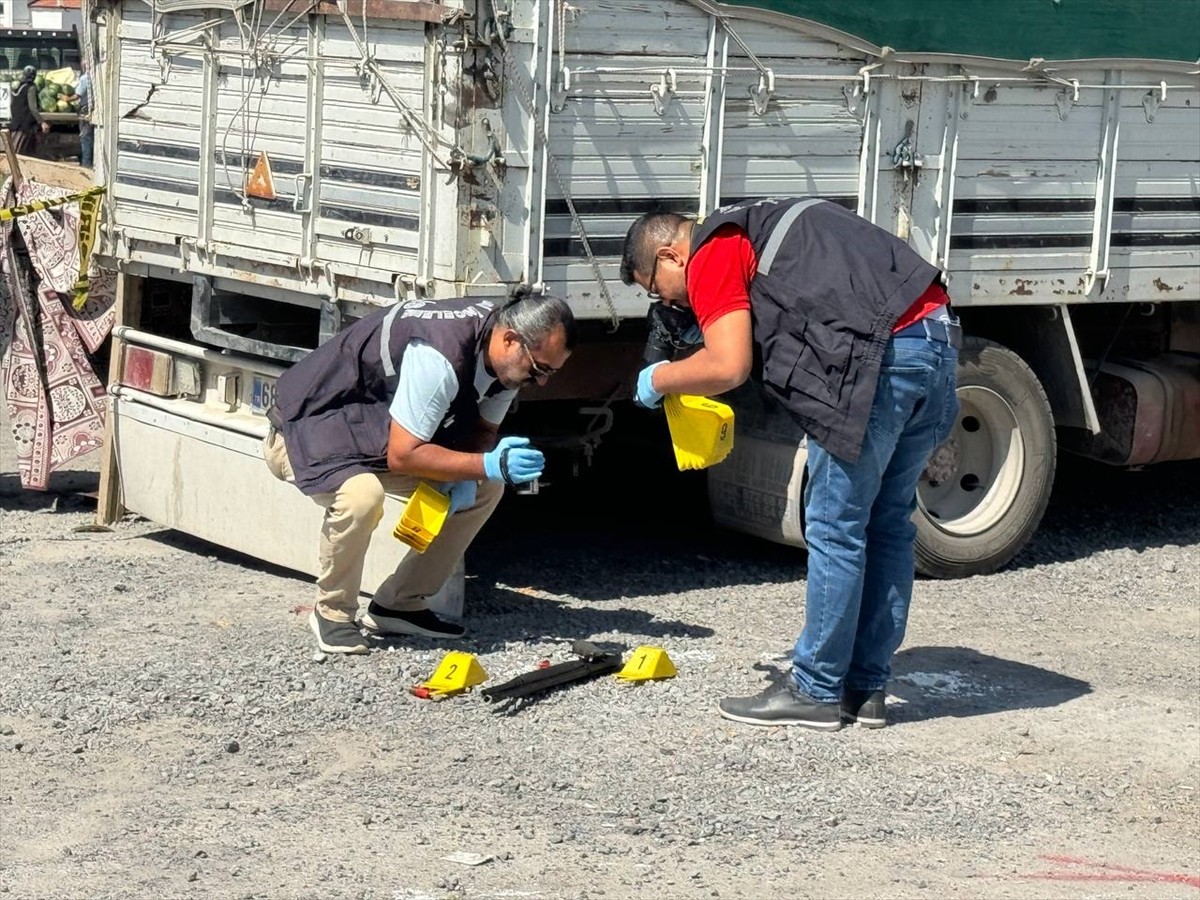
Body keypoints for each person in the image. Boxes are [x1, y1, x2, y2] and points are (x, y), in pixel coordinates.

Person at [621, 198, 960, 731]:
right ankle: (865, 688)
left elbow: (729, 364)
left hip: (881, 364)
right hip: (936, 346)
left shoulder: (714, 247)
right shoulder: (760, 221)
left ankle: (815, 688)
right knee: (888, 524)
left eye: (655, 287)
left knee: (834, 525)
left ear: (670, 255)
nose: (665, 301)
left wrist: (659, 378)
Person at [264, 294, 576, 655]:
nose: (541, 383)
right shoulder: (438, 355)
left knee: (485, 487)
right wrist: (487, 463)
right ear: (510, 340)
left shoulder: (501, 358)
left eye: (550, 372)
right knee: (362, 495)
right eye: (539, 370)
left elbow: (481, 434)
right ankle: (332, 614)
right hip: (308, 432)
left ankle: (400, 604)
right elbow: (403, 455)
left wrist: (474, 470)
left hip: (373, 436)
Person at [9, 66, 49, 157]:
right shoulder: (31, 87)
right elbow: (32, 107)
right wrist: (42, 122)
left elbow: (12, 104)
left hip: (16, 121)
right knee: (20, 149)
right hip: (25, 123)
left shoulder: (17, 86)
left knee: (15, 147)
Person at [75, 62, 93, 168]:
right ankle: (90, 162)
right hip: (92, 109)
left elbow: (77, 95)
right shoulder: (94, 77)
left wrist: (65, 98)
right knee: (90, 137)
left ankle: (86, 164)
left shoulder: (85, 78)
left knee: (85, 137)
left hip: (85, 111)